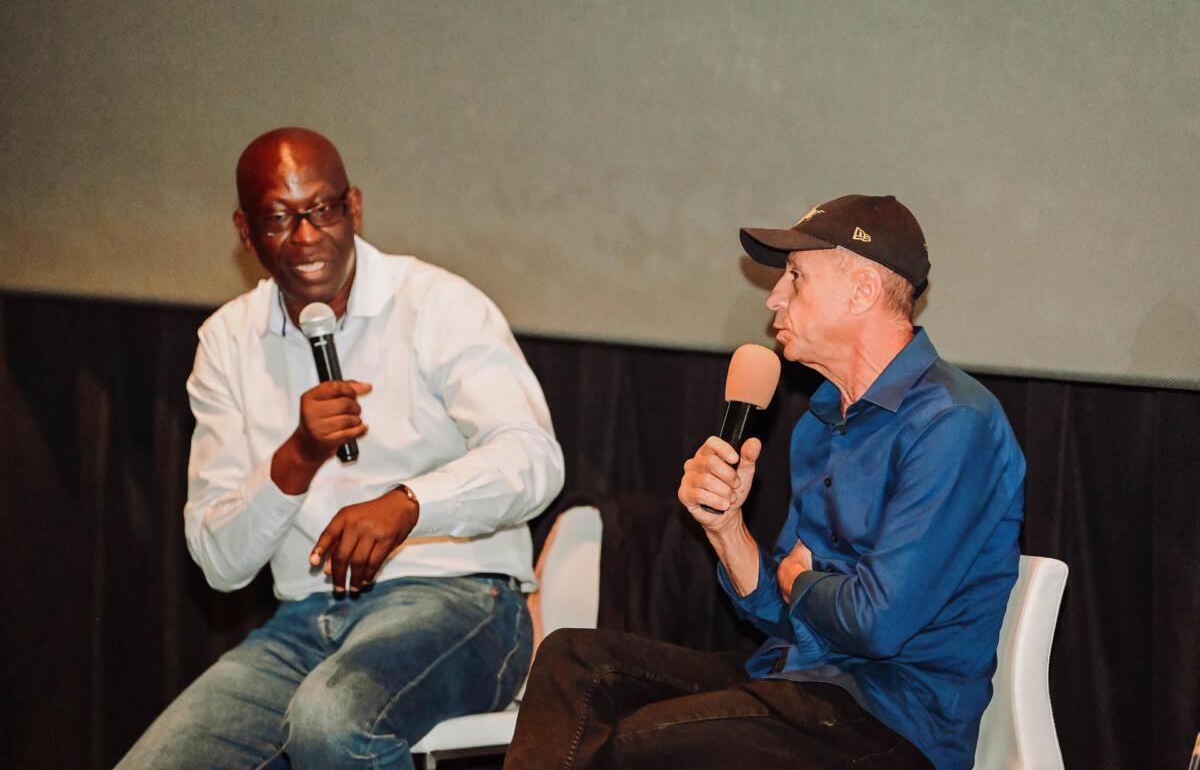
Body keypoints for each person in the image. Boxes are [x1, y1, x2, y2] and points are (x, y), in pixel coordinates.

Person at [503, 194, 1025, 770]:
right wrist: (727, 528)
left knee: (636, 745)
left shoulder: (953, 423)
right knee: (573, 661)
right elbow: (782, 612)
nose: (774, 297)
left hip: (890, 721)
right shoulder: (820, 423)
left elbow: (876, 625)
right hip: (793, 679)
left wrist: (800, 579)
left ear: (862, 292)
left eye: (795, 276)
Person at [117, 127, 565, 769]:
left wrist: (411, 504)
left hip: (461, 598)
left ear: (353, 207)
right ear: (246, 232)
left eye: (322, 209)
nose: (305, 237)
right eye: (278, 218)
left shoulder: (437, 304)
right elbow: (221, 562)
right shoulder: (227, 342)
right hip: (306, 620)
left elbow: (533, 456)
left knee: (331, 721)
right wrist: (296, 457)